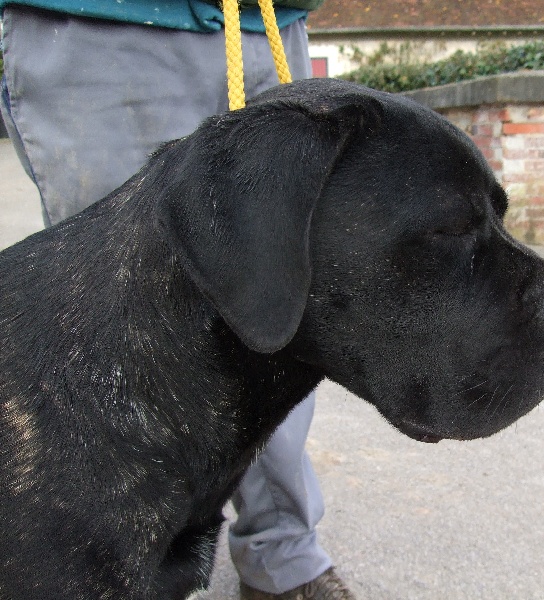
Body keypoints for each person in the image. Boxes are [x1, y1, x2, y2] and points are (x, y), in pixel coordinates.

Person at [0, 2, 354, 599]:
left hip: (269, 20)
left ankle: (282, 552)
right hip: (108, 24)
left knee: (286, 306)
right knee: (119, 335)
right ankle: (128, 568)